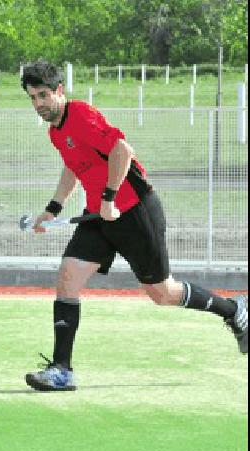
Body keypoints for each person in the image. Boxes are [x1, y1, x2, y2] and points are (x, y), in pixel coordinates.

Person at [19, 60, 248, 391]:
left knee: (162, 293)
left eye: (43, 95)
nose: (38, 104)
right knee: (67, 276)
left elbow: (122, 151)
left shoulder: (81, 115)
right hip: (98, 216)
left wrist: (109, 197)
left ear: (59, 91)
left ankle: (233, 308)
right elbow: (74, 168)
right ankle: (61, 370)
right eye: (32, 98)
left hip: (135, 211)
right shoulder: (56, 131)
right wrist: (52, 209)